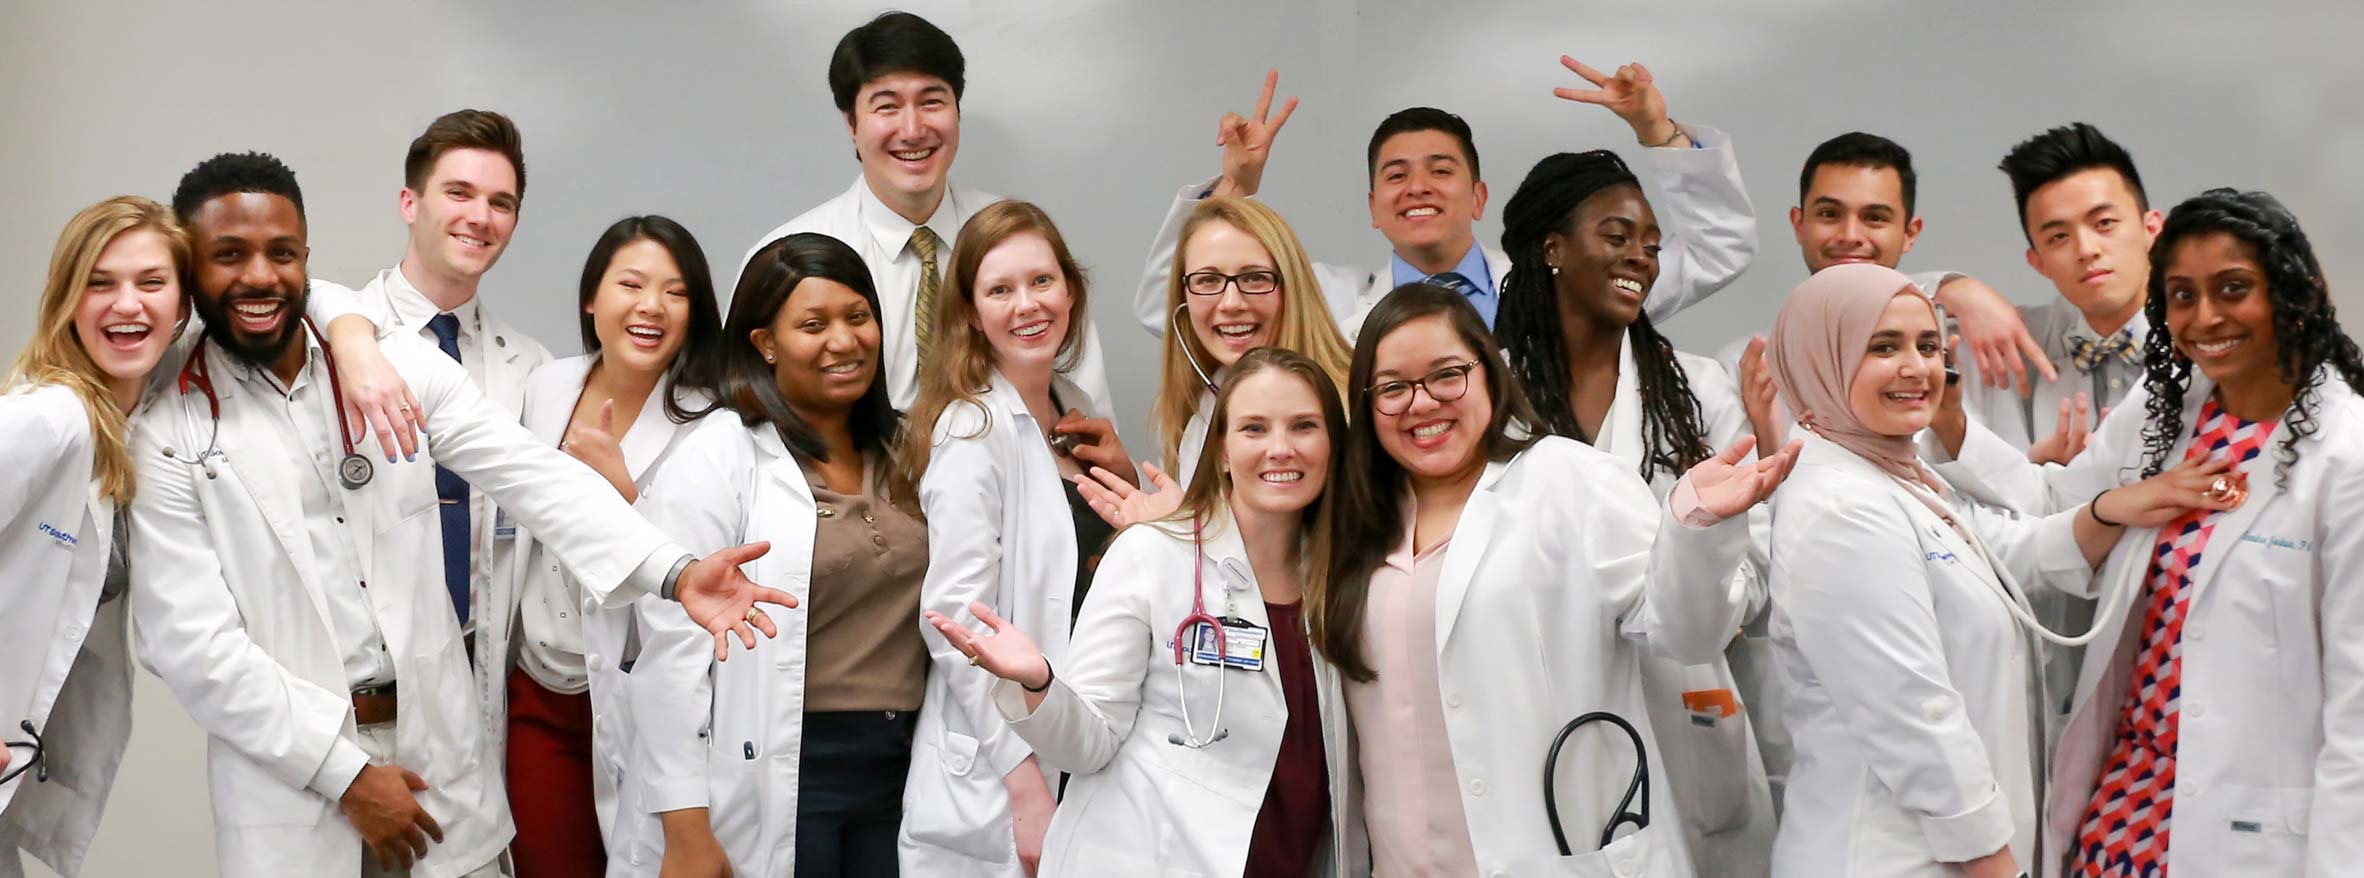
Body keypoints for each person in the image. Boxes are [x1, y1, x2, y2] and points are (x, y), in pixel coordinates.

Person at [125, 152, 793, 878]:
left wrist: (674, 570)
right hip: (294, 780)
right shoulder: (165, 425)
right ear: (191, 265)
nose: (259, 276)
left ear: (307, 261)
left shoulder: (394, 365)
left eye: (281, 254)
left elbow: (532, 475)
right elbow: (192, 646)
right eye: (228, 255)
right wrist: (342, 773)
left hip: (436, 753)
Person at [1928, 189, 2364, 876]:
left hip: (2255, 831)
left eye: (2233, 289)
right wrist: (1954, 431)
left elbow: (2358, 714)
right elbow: (2057, 503)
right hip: (2123, 807)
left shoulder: (2347, 458)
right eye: (2182, 295)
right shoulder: (2168, 408)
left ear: (2296, 289)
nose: (2206, 317)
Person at [1759, 263, 2224, 878]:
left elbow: (2006, 551)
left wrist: (2113, 507)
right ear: (1821, 359)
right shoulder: (1841, 512)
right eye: (1882, 347)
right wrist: (1996, 867)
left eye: (1928, 346)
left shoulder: (1892, 475)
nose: (1916, 367)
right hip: (1889, 856)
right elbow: (1915, 720)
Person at [1315, 283, 1795, 875]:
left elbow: (1686, 634)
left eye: (1447, 375)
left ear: (1488, 374)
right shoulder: (1357, 523)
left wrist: (1696, 529)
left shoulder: (1569, 480)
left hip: (1560, 853)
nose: (1422, 403)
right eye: (1393, 388)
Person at [928, 347, 1363, 877]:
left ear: (1332, 445)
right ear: (1221, 451)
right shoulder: (1155, 555)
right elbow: (1087, 744)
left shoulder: (1345, 580)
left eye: (1303, 427)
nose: (1280, 448)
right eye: (1253, 429)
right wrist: (1039, 683)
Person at [1494, 149, 1777, 876]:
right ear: (1551, 247)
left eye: (1651, 243)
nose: (1642, 258)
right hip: (1539, 699)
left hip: (1683, 690)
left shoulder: (1694, 391)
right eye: (1617, 236)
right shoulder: (1487, 394)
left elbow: (1758, 557)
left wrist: (1700, 585)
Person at [627, 232, 929, 877]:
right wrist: (685, 833)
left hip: (908, 768)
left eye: (858, 317)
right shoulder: (722, 453)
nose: (844, 341)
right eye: (812, 325)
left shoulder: (907, 449)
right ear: (764, 343)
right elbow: (669, 655)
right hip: (786, 768)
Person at [1130, 59, 1757, 340]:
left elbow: (1717, 249)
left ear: (1479, 196)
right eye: (1396, 176)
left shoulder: (1564, 283)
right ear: (1374, 208)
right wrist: (1236, 185)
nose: (1419, 187)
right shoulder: (1326, 303)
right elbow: (1174, 308)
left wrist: (1657, 134)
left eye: (1440, 170)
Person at [895, 201, 1137, 876]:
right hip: (1003, 780)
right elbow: (955, 624)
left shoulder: (1072, 408)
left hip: (1083, 739)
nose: (1027, 305)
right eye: (999, 290)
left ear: (1070, 289)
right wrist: (1025, 787)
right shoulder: (973, 430)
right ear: (972, 313)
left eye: (1041, 281)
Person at [494, 216, 723, 876]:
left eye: (675, 293)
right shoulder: (546, 386)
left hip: (641, 698)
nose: (652, 306)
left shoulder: (712, 421)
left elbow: (698, 579)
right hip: (542, 690)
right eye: (631, 284)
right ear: (593, 298)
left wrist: (621, 492)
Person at [741, 11, 1111, 413]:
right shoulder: (787, 260)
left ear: (956, 110)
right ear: (851, 122)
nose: (914, 129)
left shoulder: (1019, 241)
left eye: (932, 101)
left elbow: (1082, 400)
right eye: (887, 107)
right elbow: (750, 415)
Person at [350, 113, 560, 780]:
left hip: (477, 665)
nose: (481, 216)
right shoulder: (336, 341)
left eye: (501, 203)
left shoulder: (530, 367)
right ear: (410, 203)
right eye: (460, 193)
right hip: (361, 676)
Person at [1073, 196, 1352, 530]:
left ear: (1291, 287)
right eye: (1207, 280)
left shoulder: (1351, 408)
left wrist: (1179, 537)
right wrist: (1133, 482)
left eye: (1254, 278)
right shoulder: (1199, 412)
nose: (1231, 302)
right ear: (1184, 297)